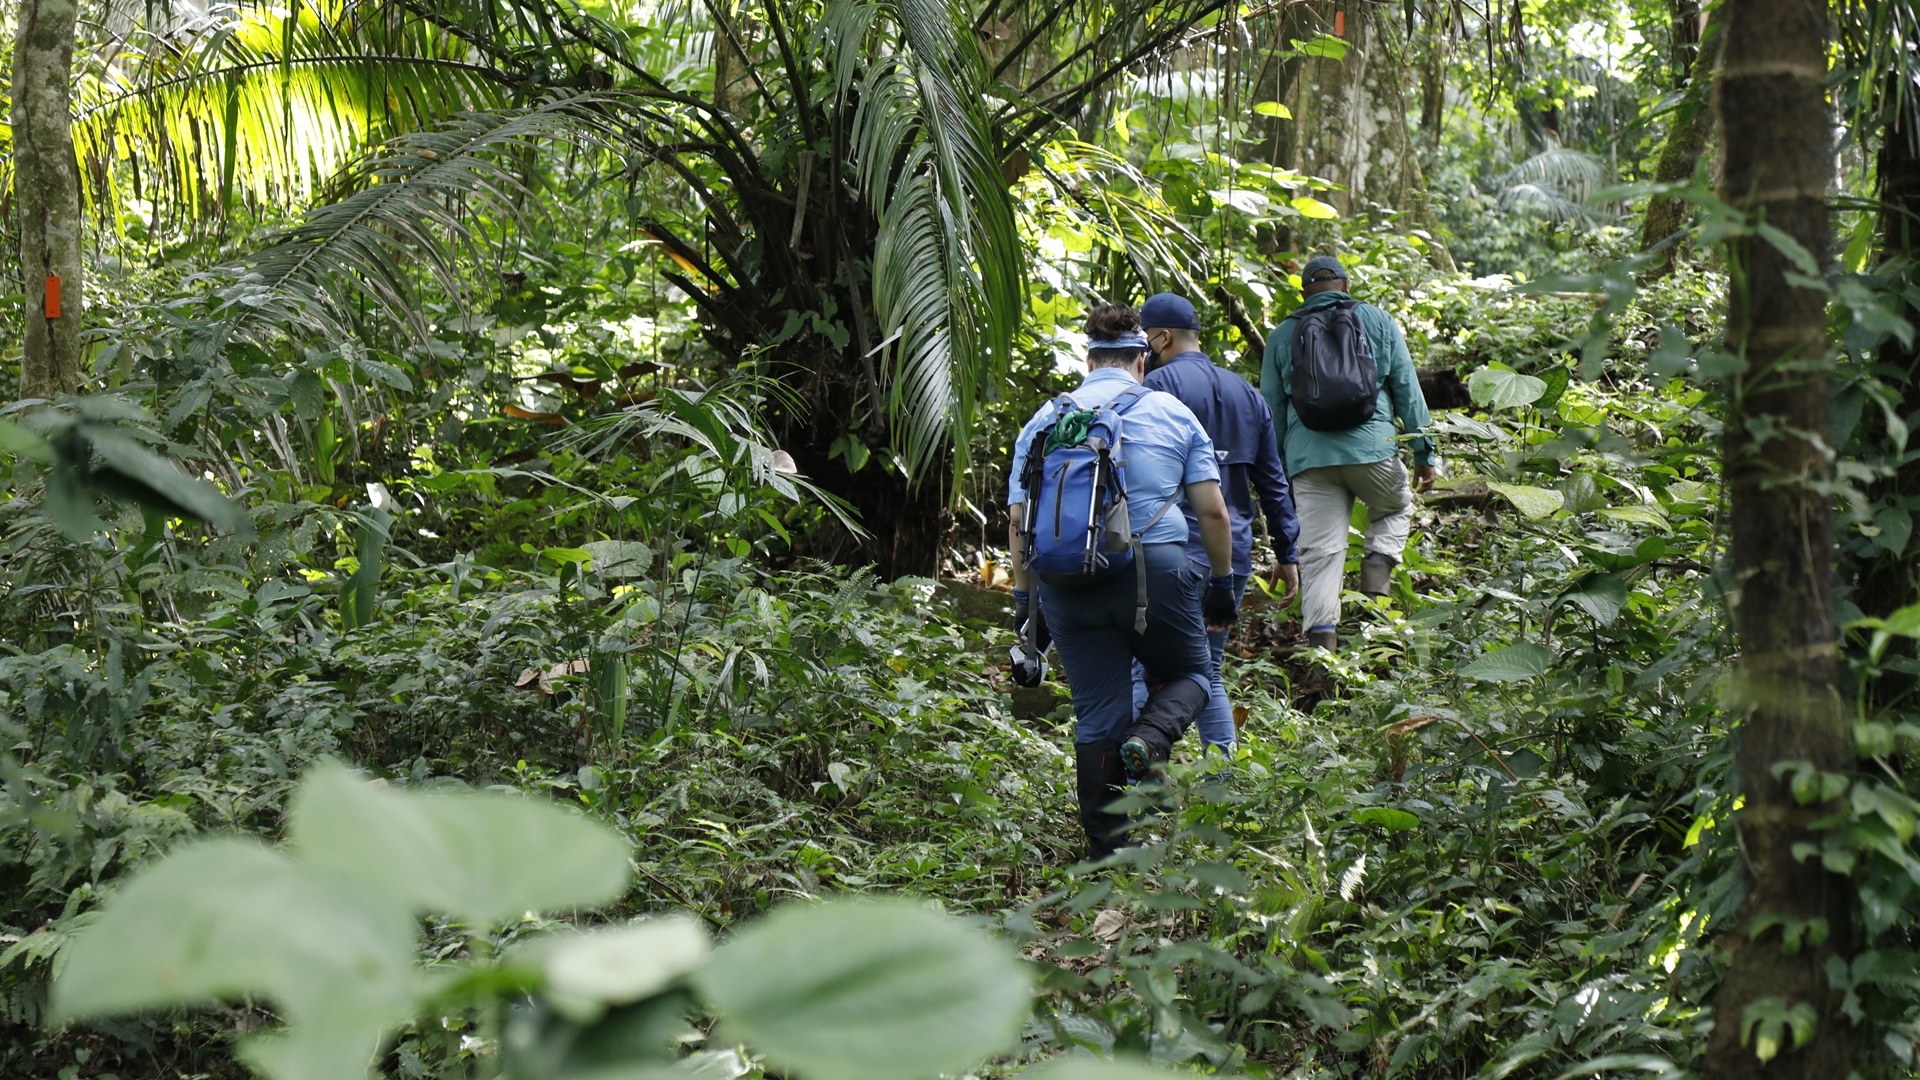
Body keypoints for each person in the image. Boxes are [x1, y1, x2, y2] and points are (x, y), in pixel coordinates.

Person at [1008, 304, 1239, 860]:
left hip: (1064, 582)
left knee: (1096, 715)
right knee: (1193, 672)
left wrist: (1024, 602)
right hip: (1152, 572)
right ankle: (1150, 739)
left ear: (1088, 361)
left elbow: (1017, 522)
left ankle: (1105, 858)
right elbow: (1212, 514)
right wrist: (1223, 585)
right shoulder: (1172, 412)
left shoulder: (1046, 419)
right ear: (1142, 359)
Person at [1138, 292, 1299, 760]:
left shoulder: (1155, 387)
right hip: (1231, 556)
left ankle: (1139, 787)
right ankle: (1223, 782)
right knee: (1207, 671)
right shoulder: (1246, 393)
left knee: (1141, 669)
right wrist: (1288, 554)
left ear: (1162, 337)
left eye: (1146, 340)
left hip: (1170, 553)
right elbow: (1273, 483)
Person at [1260, 255, 1436, 652]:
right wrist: (1425, 451)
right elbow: (1407, 390)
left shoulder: (1282, 335)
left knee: (1320, 556)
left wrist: (1283, 473)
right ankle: (1376, 602)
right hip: (1372, 452)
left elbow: (1271, 409)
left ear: (1304, 293)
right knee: (1394, 508)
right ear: (1346, 285)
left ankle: (1325, 654)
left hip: (1310, 461)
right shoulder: (1377, 320)